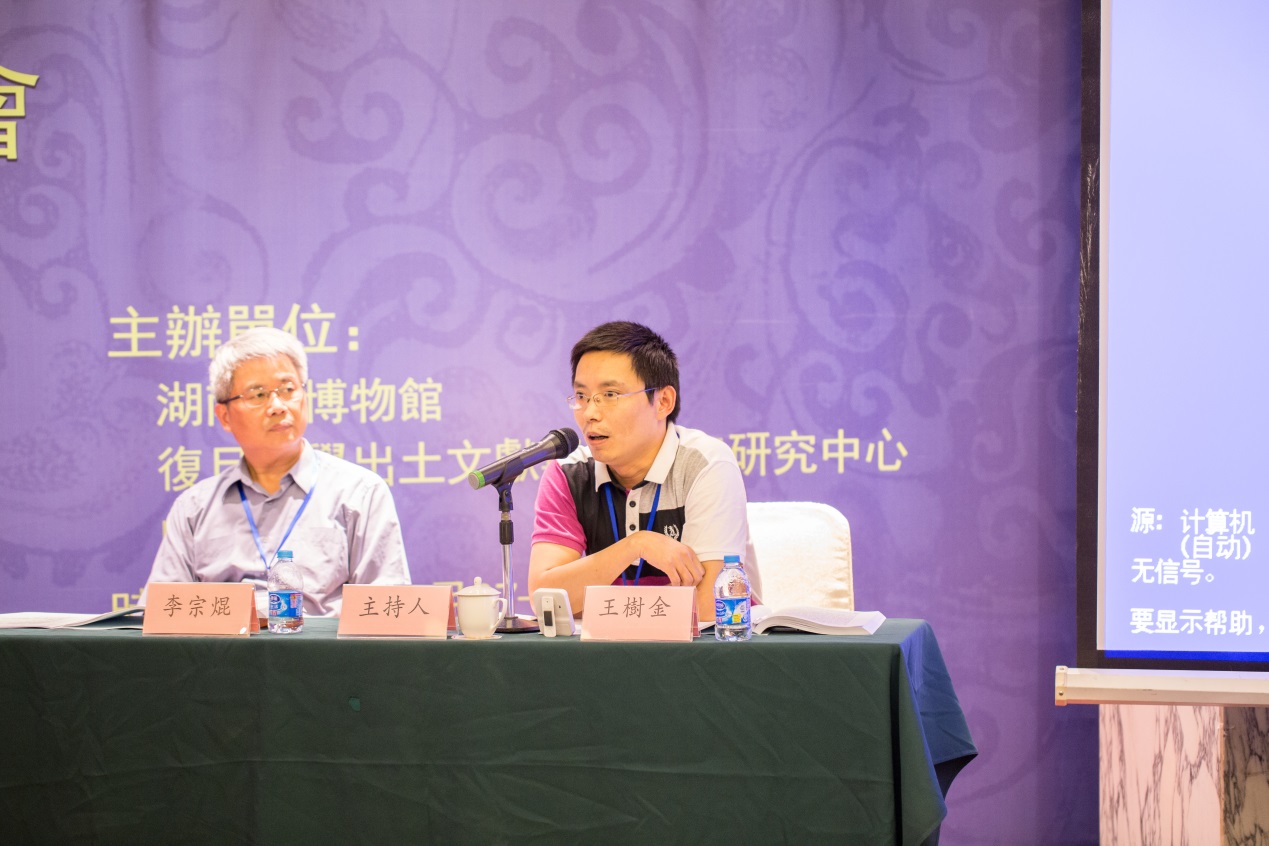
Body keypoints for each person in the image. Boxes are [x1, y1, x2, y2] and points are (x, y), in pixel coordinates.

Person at [143, 326, 411, 615]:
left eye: (288, 389)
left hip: (323, 644)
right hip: (224, 645)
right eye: (258, 394)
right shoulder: (194, 509)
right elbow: (161, 614)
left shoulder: (360, 493)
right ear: (225, 416)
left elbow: (388, 612)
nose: (277, 406)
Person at [529, 321, 759, 622]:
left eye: (610, 395)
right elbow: (546, 601)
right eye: (582, 396)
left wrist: (590, 601)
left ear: (663, 402)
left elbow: (709, 608)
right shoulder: (568, 473)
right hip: (612, 647)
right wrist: (635, 546)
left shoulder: (705, 464)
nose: (590, 413)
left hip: (713, 647)